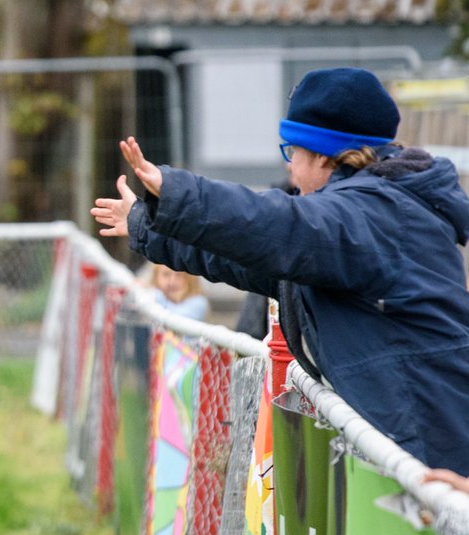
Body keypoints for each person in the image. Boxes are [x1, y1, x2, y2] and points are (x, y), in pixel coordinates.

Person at [91, 66, 469, 475]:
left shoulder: (368, 216)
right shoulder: (344, 231)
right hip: (412, 442)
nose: (288, 168)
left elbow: (273, 223)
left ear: (324, 154)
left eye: (292, 152)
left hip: (429, 449)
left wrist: (177, 194)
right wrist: (146, 225)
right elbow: (242, 256)